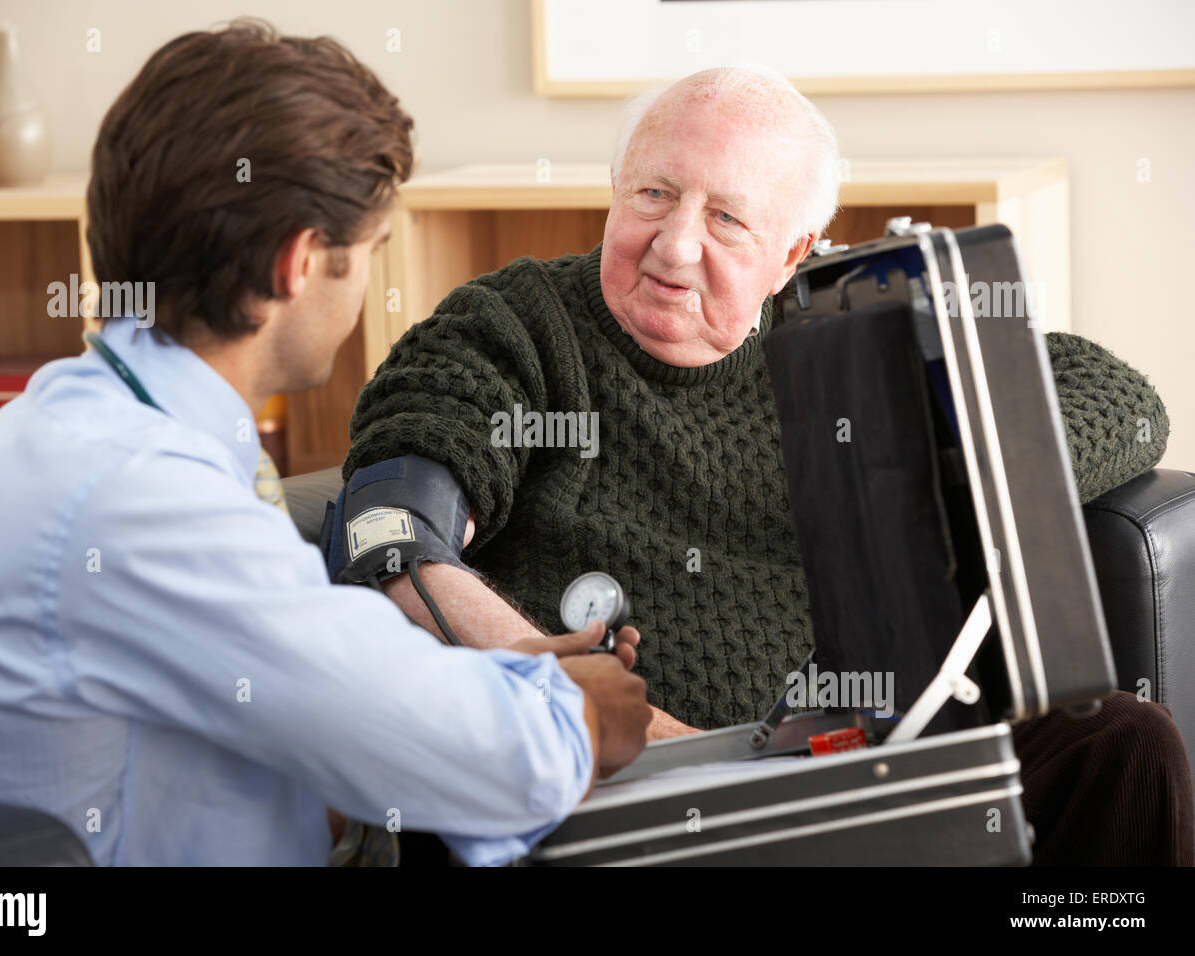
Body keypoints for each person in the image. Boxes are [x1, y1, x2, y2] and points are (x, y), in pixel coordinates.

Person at [342, 67, 1194, 865]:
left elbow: (1121, 396)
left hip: (849, 768)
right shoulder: (516, 326)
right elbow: (391, 534)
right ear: (615, 192)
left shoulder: (836, 345)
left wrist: (928, 473)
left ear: (793, 255)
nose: (674, 247)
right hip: (609, 794)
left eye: (726, 219)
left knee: (1123, 740)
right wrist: (551, 680)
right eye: (654, 194)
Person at [0, 19, 652, 867]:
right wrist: (579, 714)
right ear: (300, 263)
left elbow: (303, 707)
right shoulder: (143, 495)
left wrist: (489, 685)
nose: (368, 282)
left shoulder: (62, 420)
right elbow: (479, 760)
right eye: (370, 253)